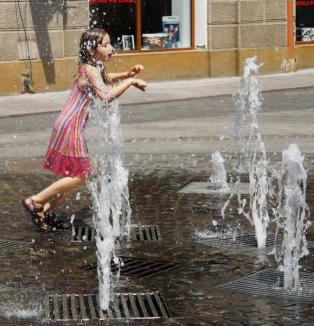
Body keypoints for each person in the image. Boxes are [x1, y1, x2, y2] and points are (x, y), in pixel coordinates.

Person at [22, 28, 147, 231]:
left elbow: (105, 79)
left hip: (68, 124)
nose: (111, 49)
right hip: (71, 126)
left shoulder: (93, 67)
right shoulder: (90, 69)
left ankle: (47, 211)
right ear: (92, 50)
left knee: (76, 174)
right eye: (106, 45)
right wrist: (130, 82)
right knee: (79, 175)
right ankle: (35, 201)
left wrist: (126, 73)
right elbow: (105, 96)